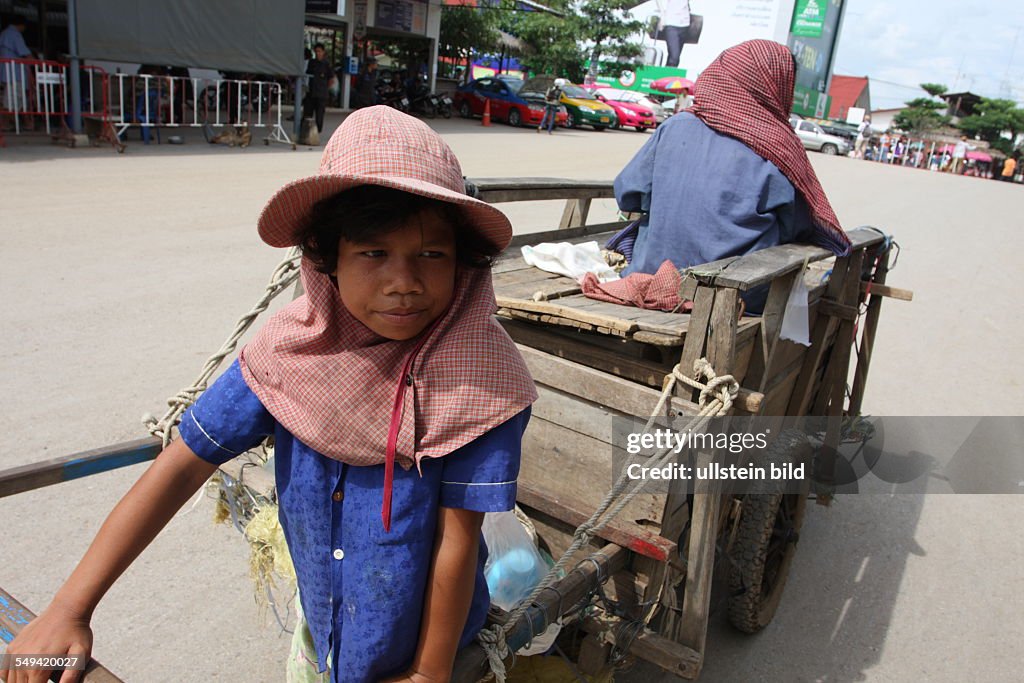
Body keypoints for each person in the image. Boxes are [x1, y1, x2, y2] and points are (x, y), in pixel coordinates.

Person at [2, 106, 538, 683]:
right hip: (325, 627)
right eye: (373, 253)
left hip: (427, 651)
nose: (403, 280)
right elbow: (180, 466)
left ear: (463, 263)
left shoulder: (479, 378)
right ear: (327, 259)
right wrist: (68, 610)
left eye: (431, 255)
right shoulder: (289, 354)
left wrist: (429, 675)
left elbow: (456, 541)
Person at [612, 40, 851, 313]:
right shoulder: (778, 147)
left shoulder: (675, 125)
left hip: (651, 278)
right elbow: (797, 227)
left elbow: (628, 194)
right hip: (737, 300)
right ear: (778, 86)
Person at [303, 43, 334, 133]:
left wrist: (325, 88)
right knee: (307, 113)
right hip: (311, 92)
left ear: (323, 52)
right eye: (316, 51)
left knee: (319, 114)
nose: (318, 53)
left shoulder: (326, 64)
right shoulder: (312, 63)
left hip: (322, 93)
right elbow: (307, 75)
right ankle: (305, 131)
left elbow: (331, 79)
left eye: (319, 51)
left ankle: (317, 131)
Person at [657, 0, 692, 68]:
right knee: (674, 57)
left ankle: (666, 76)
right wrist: (662, 14)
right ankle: (667, 76)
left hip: (685, 24)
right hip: (671, 22)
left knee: (674, 57)